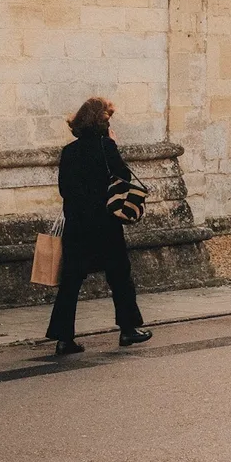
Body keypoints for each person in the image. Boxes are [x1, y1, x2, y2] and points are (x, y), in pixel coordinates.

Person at [47, 97, 153, 355]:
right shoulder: (107, 146)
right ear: (101, 121)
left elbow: (64, 189)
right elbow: (123, 178)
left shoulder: (69, 151)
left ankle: (63, 338)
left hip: (77, 225)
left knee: (71, 281)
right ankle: (128, 330)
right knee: (119, 276)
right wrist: (114, 146)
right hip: (105, 224)